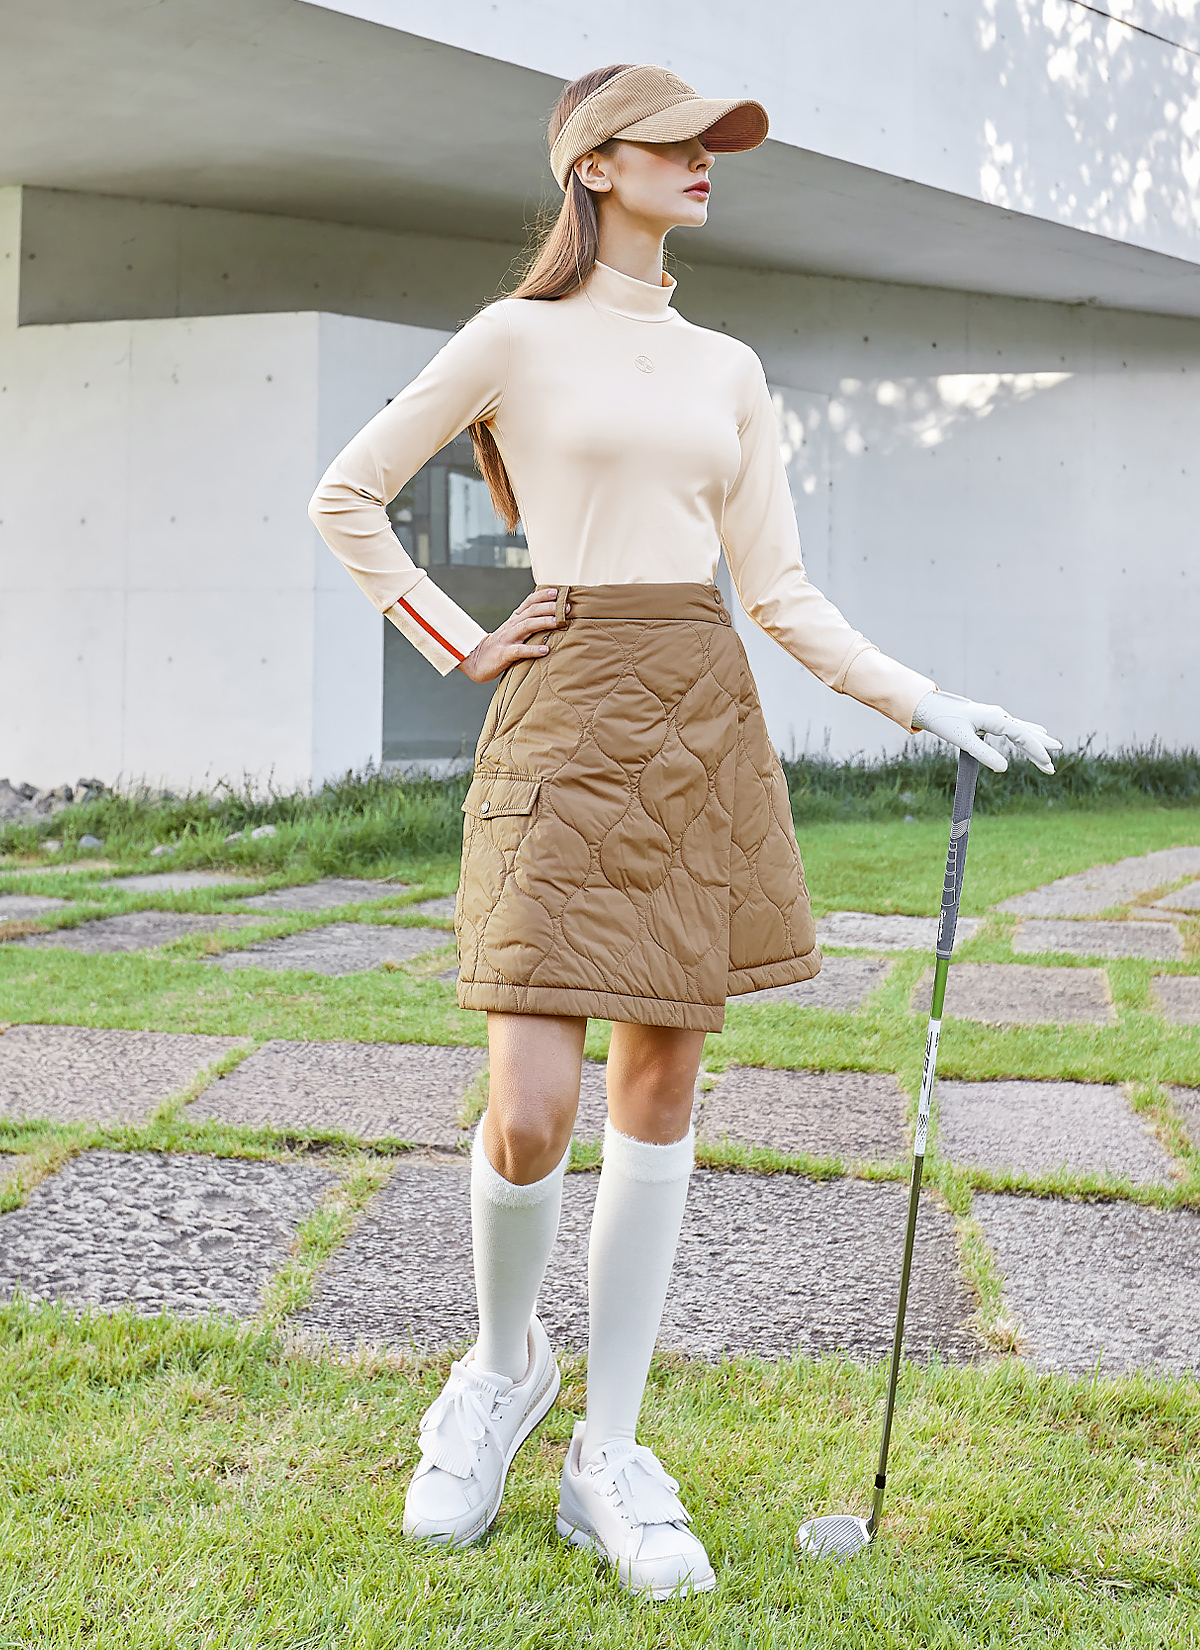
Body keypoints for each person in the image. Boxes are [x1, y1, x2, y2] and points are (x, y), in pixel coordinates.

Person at [309, 62, 1061, 1601]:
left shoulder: (728, 366)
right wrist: (459, 639)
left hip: (697, 720)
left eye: (714, 144)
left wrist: (927, 700)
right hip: (561, 714)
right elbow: (347, 496)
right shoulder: (514, 337)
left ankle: (613, 1447)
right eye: (677, 142)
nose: (707, 160)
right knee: (531, 1104)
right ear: (594, 166)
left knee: (658, 1090)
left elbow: (776, 590)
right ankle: (502, 1370)